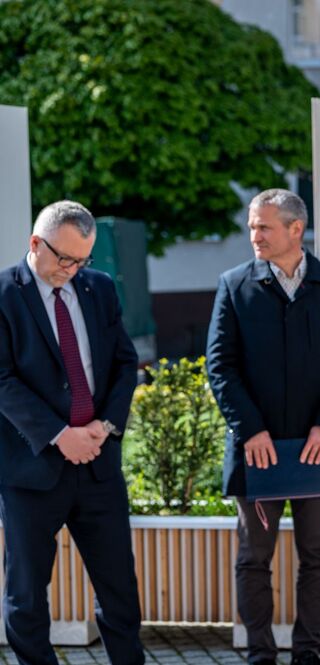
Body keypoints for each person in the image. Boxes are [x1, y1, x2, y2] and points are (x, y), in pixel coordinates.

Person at [206, 189, 320, 665]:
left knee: (317, 556)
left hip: (319, 450)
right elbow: (220, 366)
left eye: (264, 226)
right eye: (252, 226)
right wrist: (251, 430)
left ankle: (308, 653)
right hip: (258, 452)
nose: (254, 235)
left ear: (296, 229)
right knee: (253, 557)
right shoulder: (234, 285)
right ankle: (260, 654)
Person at [0, 201, 144, 664]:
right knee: (26, 594)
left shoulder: (98, 287)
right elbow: (2, 379)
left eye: (82, 260)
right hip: (31, 470)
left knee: (119, 588)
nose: (72, 270)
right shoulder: (4, 294)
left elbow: (124, 362)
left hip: (98, 464)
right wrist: (60, 434)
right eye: (64, 258)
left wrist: (105, 425)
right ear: (35, 243)